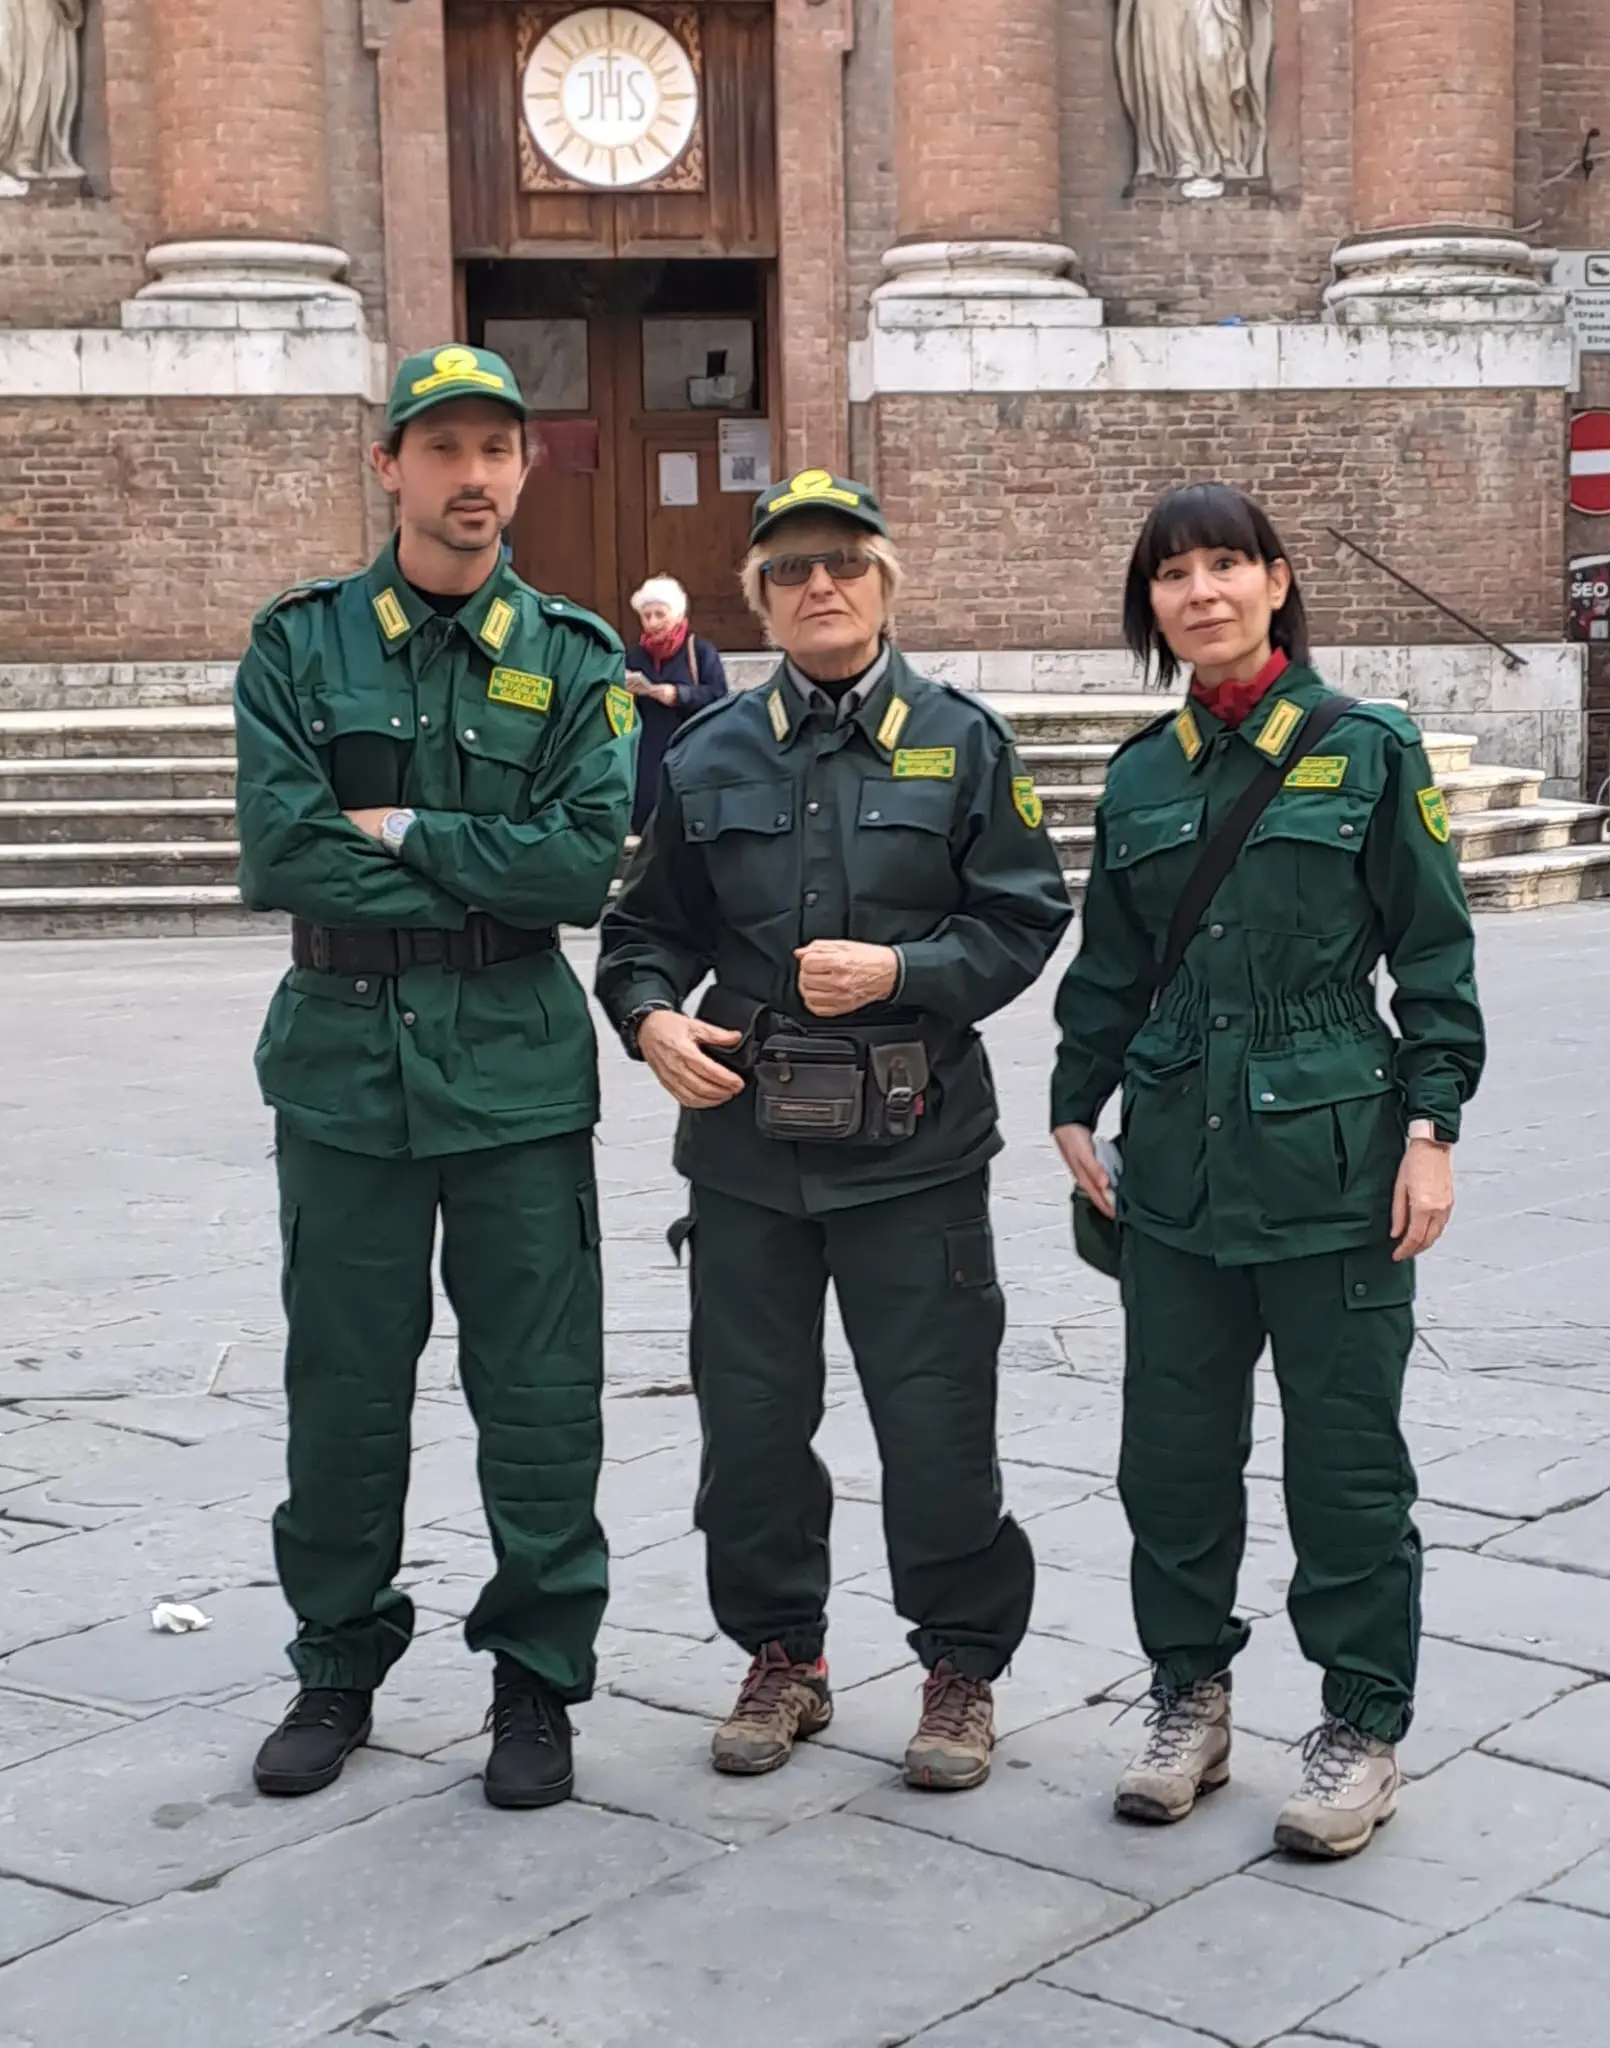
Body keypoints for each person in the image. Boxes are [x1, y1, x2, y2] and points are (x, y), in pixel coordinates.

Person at [596, 469, 1072, 1792]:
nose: (821, 587)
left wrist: (906, 976)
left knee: (935, 1422)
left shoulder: (963, 742)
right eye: (792, 570)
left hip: (916, 1149)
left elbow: (1027, 914)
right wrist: (649, 1021)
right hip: (748, 1147)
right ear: (758, 598)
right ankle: (782, 1658)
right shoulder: (708, 752)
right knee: (749, 1426)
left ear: (884, 583)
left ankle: (959, 1670)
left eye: (844, 565)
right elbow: (645, 932)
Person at [1049, 483, 1483, 1860]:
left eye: (1226, 564)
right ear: (1154, 606)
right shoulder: (1139, 775)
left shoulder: (1366, 750)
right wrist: (1073, 1105)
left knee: (1347, 1465)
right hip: (1173, 1164)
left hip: (1335, 1161)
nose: (1202, 592)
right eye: (1173, 574)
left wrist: (1434, 1132)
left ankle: (1360, 1724)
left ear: (1280, 582)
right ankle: (1189, 1699)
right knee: (1170, 1460)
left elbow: (1434, 959)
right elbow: (1111, 966)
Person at [233, 343, 637, 1810]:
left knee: (540, 1393)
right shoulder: (300, 646)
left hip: (517, 1079)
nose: (474, 477)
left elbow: (584, 867)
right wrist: (485, 873)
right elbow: (281, 851)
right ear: (390, 463)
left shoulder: (580, 658)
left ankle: (536, 1680)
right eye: (445, 447)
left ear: (524, 468)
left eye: (498, 450)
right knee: (341, 1388)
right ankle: (337, 1663)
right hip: (341, 1067)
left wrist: (400, 835)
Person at [623, 574, 730, 831]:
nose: (652, 622)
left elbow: (720, 696)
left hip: (689, 749)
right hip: (646, 755)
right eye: (646, 616)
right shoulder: (634, 656)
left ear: (678, 615)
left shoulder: (700, 652)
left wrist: (678, 695)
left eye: (660, 614)